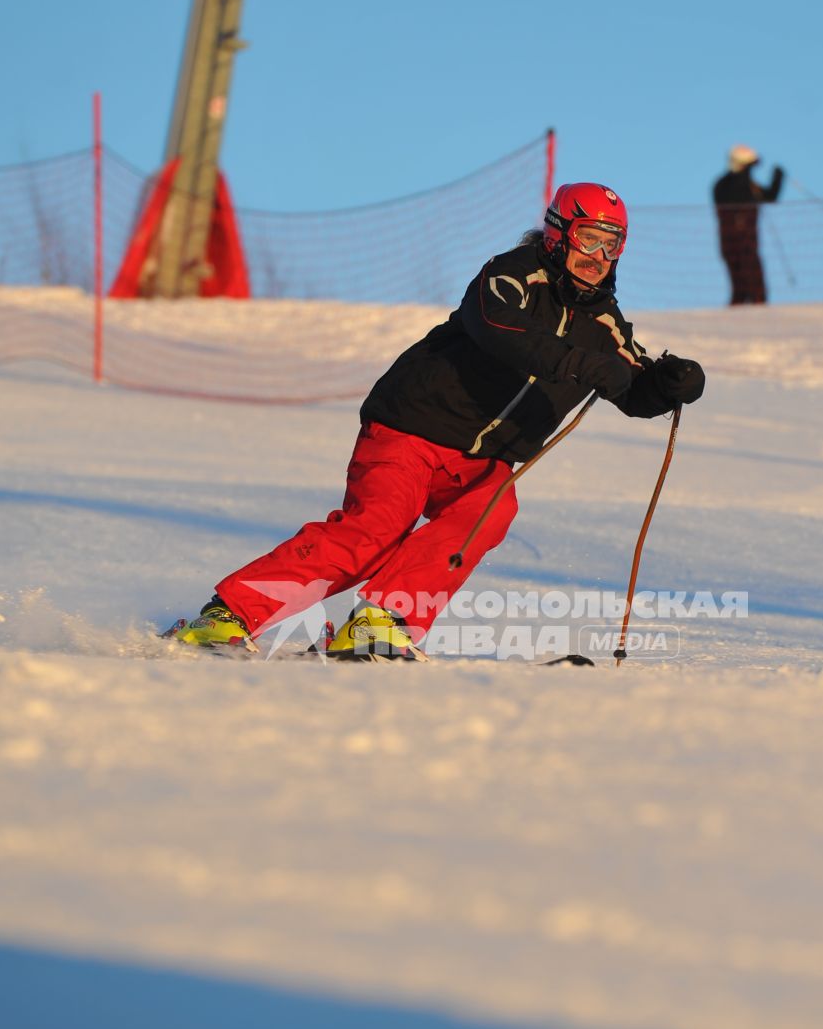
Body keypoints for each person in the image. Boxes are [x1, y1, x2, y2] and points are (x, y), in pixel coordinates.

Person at [169, 181, 706, 659]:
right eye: (590, 238)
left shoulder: (604, 321)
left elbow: (631, 385)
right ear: (558, 232)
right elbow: (501, 331)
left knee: (490, 513)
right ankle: (231, 613)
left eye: (614, 244)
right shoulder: (510, 276)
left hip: (483, 461)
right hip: (412, 429)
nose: (600, 255)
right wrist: (588, 364)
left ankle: (383, 618)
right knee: (375, 530)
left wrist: (669, 384)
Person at [712, 145, 785, 306]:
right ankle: (737, 322)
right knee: (740, 287)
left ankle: (758, 319)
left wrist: (778, 178)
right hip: (731, 243)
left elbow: (770, 196)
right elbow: (734, 195)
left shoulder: (751, 187)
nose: (750, 171)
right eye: (748, 166)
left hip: (749, 243)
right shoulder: (723, 185)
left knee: (757, 287)